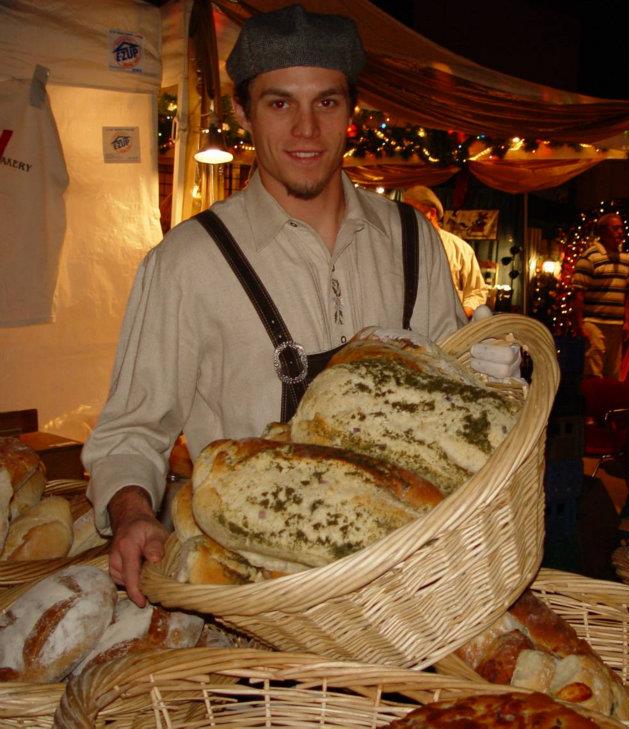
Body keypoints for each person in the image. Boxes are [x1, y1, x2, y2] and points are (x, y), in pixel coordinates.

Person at [81, 5, 467, 607]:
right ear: (243, 112)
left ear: (352, 111)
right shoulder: (187, 263)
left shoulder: (416, 242)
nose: (306, 131)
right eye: (280, 103)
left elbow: (457, 403)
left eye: (327, 102)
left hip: (409, 591)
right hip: (260, 603)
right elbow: (130, 432)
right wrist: (133, 513)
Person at [401, 185, 488, 318]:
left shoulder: (460, 249)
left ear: (432, 213)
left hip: (448, 328)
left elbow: (476, 291)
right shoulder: (401, 244)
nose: (408, 218)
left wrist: (461, 316)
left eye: (413, 212)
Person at [572, 213, 629, 380]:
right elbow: (579, 293)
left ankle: (609, 405)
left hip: (616, 324)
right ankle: (593, 404)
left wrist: (627, 321)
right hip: (595, 322)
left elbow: (626, 293)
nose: (620, 232)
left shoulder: (625, 259)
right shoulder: (590, 257)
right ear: (603, 231)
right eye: (615, 228)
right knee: (594, 369)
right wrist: (579, 323)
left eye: (621, 228)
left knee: (613, 372)